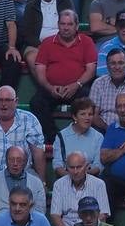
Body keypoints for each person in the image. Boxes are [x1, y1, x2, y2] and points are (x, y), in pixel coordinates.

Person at [29, 10, 96, 138]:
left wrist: (76, 85)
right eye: (62, 24)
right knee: (36, 102)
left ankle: (79, 136)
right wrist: (50, 87)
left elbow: (91, 70)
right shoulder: (47, 43)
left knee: (87, 101)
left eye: (69, 24)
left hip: (78, 88)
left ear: (76, 26)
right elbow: (40, 72)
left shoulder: (86, 42)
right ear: (58, 25)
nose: (65, 28)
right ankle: (54, 138)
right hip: (52, 89)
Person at [0, 144, 46, 224]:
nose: (15, 163)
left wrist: (25, 222)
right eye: (11, 159)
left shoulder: (36, 182)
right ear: (6, 161)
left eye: (19, 160)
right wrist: (5, 223)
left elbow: (40, 210)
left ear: (25, 162)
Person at [50, 152, 110, 226]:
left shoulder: (98, 184)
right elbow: (55, 215)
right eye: (71, 167)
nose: (75, 171)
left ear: (86, 167)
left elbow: (103, 214)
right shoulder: (59, 184)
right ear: (66, 167)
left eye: (79, 167)